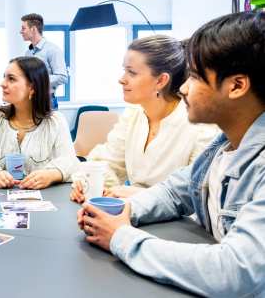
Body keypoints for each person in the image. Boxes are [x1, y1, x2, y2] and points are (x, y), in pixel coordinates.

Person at [77, 11, 265, 297]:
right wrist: (125, 212)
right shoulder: (221, 148)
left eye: (195, 77)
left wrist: (120, 236)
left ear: (237, 85)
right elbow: (174, 192)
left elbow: (235, 271)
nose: (184, 88)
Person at [70, 35, 218, 203]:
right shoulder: (134, 113)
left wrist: (137, 195)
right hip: (131, 215)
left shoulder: (200, 126)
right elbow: (108, 162)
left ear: (161, 80)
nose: (121, 79)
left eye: (131, 73)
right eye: (124, 70)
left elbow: (195, 196)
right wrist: (88, 182)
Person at [0, 56, 78, 189]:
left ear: (32, 88)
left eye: (11, 79)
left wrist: (51, 175)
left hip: (45, 202)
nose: (2, 83)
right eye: (4, 77)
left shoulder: (55, 121)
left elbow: (71, 162)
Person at [20, 13, 68, 109]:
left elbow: (62, 77)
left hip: (46, 101)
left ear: (33, 29)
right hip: (30, 100)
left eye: (23, 28)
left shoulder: (52, 50)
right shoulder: (28, 53)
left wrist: (38, 81)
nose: (20, 31)